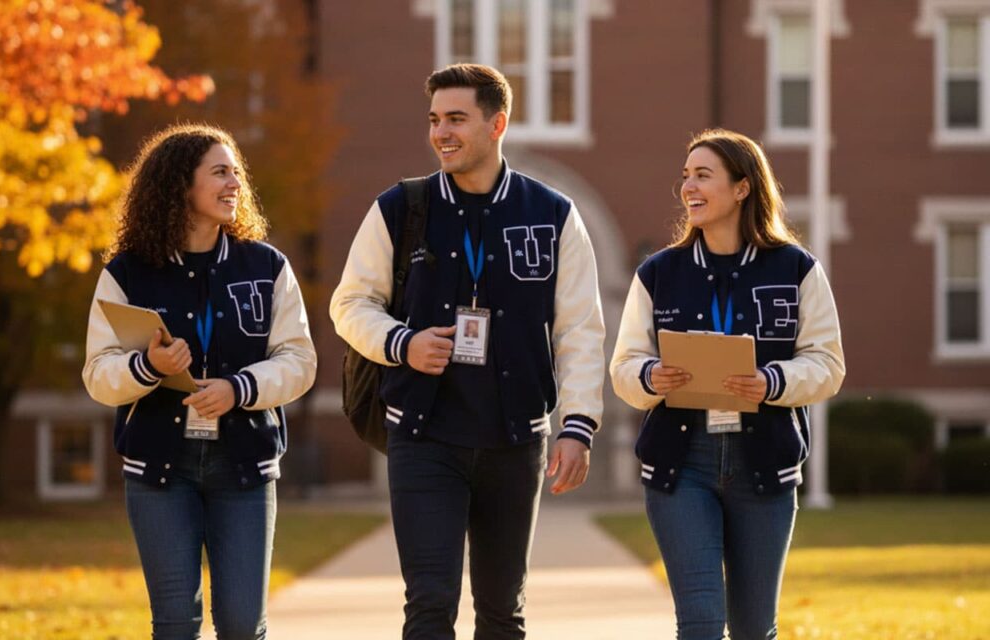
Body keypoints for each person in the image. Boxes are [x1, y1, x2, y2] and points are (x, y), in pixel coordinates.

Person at [330, 63, 605, 639]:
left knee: (503, 613)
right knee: (429, 607)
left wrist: (578, 426)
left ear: (496, 123)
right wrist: (402, 343)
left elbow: (580, 329)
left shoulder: (553, 214)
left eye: (456, 118)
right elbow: (350, 304)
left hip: (515, 442)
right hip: (423, 438)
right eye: (434, 120)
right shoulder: (400, 209)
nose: (441, 133)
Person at [83, 123, 317, 640]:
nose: (235, 183)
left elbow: (299, 360)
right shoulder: (127, 274)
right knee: (174, 624)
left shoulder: (266, 266)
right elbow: (99, 375)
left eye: (236, 172)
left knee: (240, 624)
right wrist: (149, 369)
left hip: (245, 469)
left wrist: (240, 389)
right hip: (159, 473)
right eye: (219, 172)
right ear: (178, 186)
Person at [609, 128, 845, 640]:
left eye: (703, 175)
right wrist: (652, 376)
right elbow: (625, 366)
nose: (688, 187)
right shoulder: (658, 273)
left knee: (754, 629)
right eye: (686, 176)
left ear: (742, 188)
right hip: (681, 465)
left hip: (765, 465)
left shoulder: (797, 269)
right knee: (699, 623)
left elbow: (828, 364)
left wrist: (772, 381)